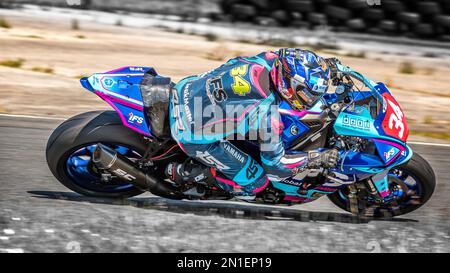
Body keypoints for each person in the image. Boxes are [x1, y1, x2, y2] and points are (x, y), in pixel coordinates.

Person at [166, 48, 339, 200]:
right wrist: (315, 157)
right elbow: (276, 168)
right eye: (307, 95)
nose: (310, 100)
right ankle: (185, 173)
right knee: (257, 182)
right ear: (287, 85)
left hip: (186, 88)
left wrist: (323, 66)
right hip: (187, 130)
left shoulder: (268, 59)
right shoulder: (267, 114)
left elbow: (291, 59)